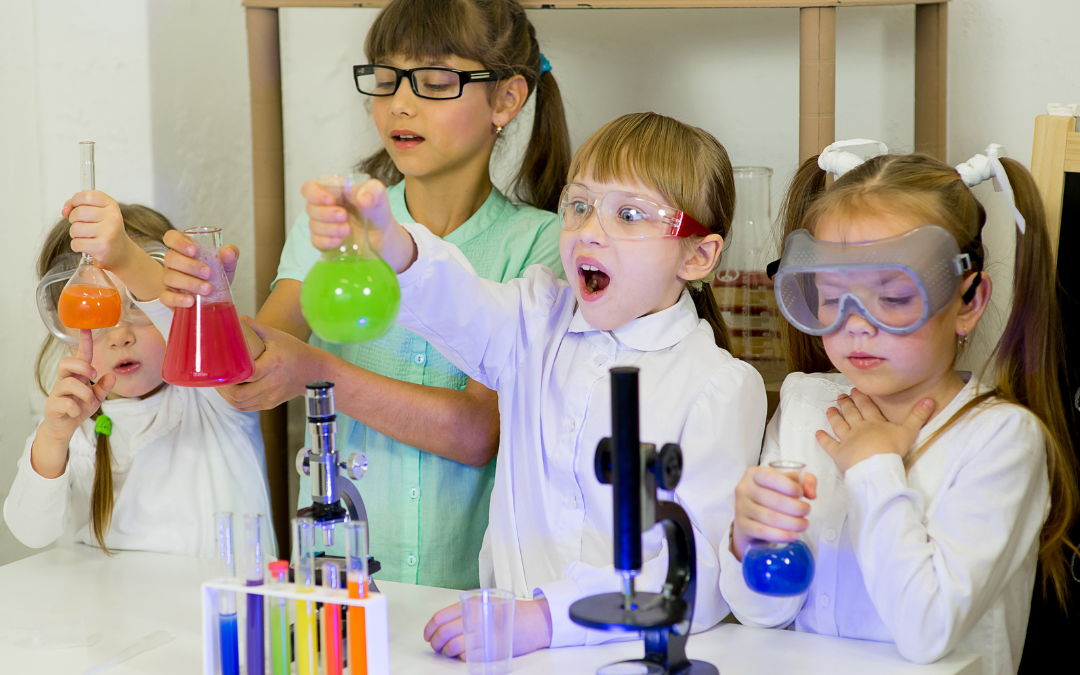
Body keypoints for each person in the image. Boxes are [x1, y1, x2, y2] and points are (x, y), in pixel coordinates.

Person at [303, 112, 767, 656]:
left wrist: (545, 621)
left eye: (630, 214)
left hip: (635, 657)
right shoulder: (537, 317)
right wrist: (389, 241)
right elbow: (458, 304)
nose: (591, 231)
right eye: (579, 205)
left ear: (698, 255)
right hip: (504, 649)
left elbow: (698, 575)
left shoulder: (720, 385)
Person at [159, 0, 570, 589]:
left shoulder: (544, 246)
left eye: (433, 82)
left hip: (473, 599)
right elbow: (246, 380)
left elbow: (478, 433)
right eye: (385, 80)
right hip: (332, 583)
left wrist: (317, 373)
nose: (400, 103)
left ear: (506, 99)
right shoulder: (330, 224)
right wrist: (209, 300)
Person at [720, 141, 1079, 675]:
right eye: (832, 292)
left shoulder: (1001, 438)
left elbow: (927, 631)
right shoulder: (804, 408)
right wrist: (748, 541)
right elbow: (762, 615)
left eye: (891, 296)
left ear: (968, 302)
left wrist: (873, 467)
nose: (857, 323)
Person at [3, 193, 274, 557]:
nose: (120, 336)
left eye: (138, 307)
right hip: (112, 611)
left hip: (220, 610)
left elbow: (181, 322)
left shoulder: (214, 394)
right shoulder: (75, 427)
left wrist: (126, 257)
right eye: (97, 316)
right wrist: (53, 439)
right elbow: (32, 532)